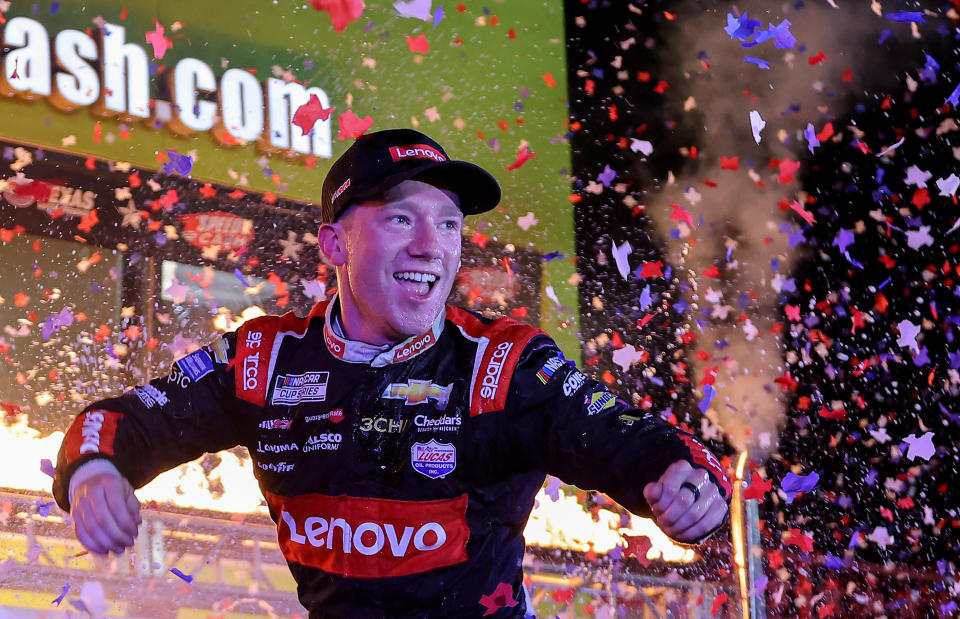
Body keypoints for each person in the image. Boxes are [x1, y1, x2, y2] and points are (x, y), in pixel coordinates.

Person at [52, 128, 731, 618]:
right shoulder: (264, 358)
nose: (431, 245)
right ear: (333, 243)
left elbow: (625, 436)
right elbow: (123, 418)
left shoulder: (503, 363)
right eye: (401, 217)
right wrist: (94, 470)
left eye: (448, 224)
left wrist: (683, 479)